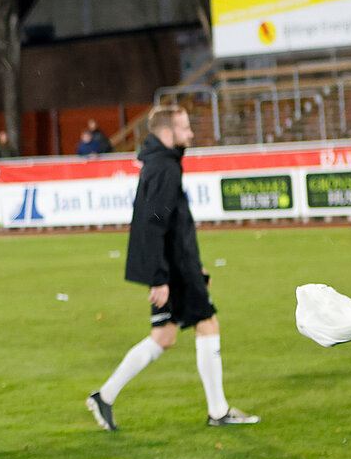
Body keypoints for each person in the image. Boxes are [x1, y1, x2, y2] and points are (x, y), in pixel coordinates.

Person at [87, 105, 257, 431]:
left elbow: (168, 227)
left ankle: (104, 397)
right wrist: (160, 278)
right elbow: (154, 225)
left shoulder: (159, 164)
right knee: (207, 323)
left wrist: (192, 267)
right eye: (185, 128)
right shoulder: (165, 167)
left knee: (163, 336)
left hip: (174, 268)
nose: (191, 134)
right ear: (168, 133)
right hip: (172, 272)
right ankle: (218, 411)